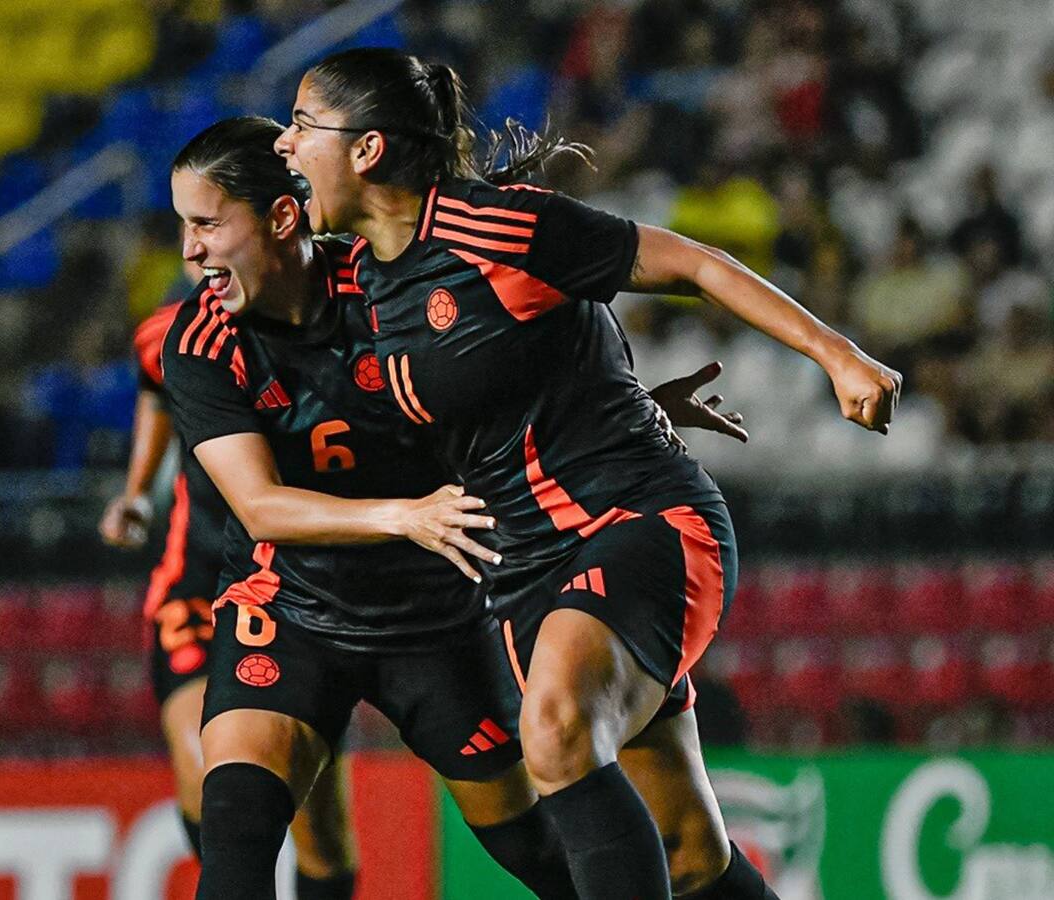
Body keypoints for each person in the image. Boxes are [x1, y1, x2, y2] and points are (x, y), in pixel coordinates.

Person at [275, 46, 901, 900]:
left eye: (302, 124)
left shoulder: (495, 228)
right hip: (522, 575)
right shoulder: (362, 285)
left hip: (637, 523)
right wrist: (624, 394)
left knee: (557, 728)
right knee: (688, 853)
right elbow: (503, 384)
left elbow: (692, 263)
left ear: (367, 148)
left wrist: (838, 355)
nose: (285, 143)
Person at [162, 116, 579, 900]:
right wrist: (403, 516)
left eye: (207, 224)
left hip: (436, 619)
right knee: (236, 846)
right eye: (184, 226)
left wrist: (628, 407)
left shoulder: (391, 289)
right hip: (290, 611)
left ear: (281, 217)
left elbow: (519, 371)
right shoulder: (202, 343)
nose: (190, 250)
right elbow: (260, 508)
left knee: (539, 854)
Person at [98, 281, 359, 898]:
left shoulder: (351, 325)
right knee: (209, 767)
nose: (200, 248)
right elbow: (154, 382)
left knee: (320, 832)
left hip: (300, 589)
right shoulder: (178, 332)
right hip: (198, 581)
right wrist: (137, 490)